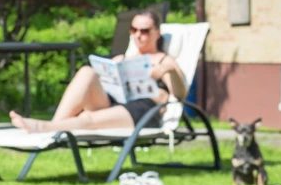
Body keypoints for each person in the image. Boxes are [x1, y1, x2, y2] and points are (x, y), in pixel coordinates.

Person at [10, 10, 187, 133]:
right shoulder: (122, 60)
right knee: (87, 71)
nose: (138, 35)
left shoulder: (165, 61)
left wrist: (169, 71)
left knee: (89, 119)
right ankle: (54, 126)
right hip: (114, 102)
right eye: (134, 30)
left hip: (142, 110)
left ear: (157, 32)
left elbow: (179, 95)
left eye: (145, 31)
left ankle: (45, 129)